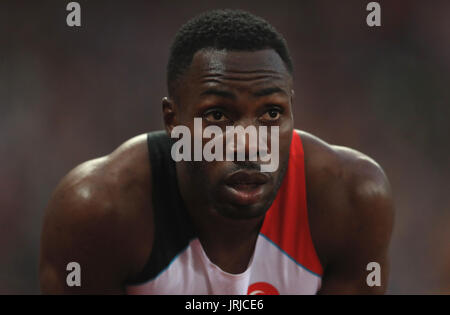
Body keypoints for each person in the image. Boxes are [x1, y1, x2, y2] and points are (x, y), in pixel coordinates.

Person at [39, 9, 394, 294]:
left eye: (271, 113)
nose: (249, 144)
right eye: (218, 115)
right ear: (173, 120)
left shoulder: (351, 200)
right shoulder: (99, 212)